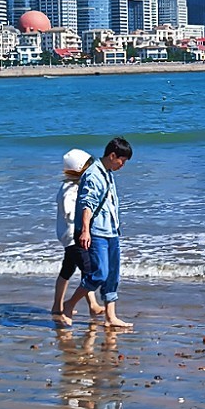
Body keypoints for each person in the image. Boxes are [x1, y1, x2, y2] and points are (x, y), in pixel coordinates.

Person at [63, 136, 133, 328]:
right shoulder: (94, 174)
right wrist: (85, 231)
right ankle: (69, 304)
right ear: (112, 155)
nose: (122, 165)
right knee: (99, 274)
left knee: (112, 275)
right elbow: (87, 204)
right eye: (122, 161)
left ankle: (111, 317)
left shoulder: (108, 172)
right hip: (96, 232)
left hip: (111, 230)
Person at [51, 148, 105, 326]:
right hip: (74, 236)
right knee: (89, 272)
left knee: (67, 270)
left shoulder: (72, 186)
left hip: (68, 237)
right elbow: (69, 211)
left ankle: (57, 306)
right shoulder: (70, 189)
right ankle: (89, 305)